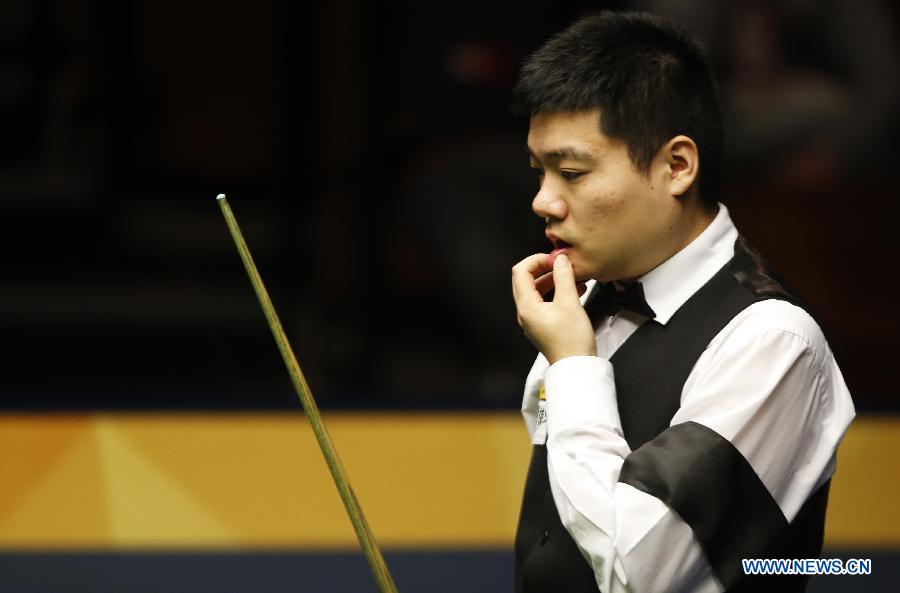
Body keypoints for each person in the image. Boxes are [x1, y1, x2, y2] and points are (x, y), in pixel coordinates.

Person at [509, 11, 855, 593]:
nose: (544, 201)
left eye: (571, 172)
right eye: (539, 171)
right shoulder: (585, 304)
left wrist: (572, 366)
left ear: (676, 167)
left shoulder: (770, 339)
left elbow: (633, 574)